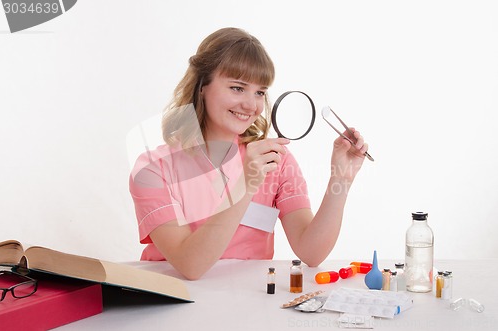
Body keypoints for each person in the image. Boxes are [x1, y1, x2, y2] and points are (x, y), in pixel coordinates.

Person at [129, 27, 369, 280]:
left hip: (250, 304)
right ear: (202, 86)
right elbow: (191, 266)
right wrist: (246, 184)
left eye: (260, 92)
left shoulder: (276, 160)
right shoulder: (153, 169)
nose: (251, 105)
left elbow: (311, 252)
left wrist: (340, 178)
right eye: (237, 88)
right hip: (173, 303)